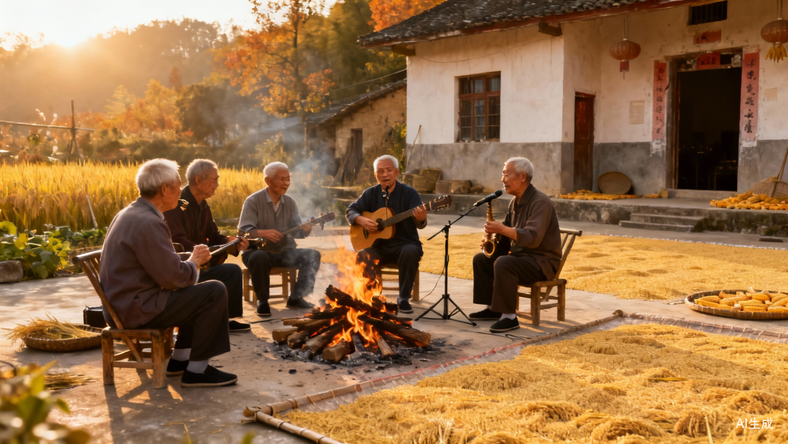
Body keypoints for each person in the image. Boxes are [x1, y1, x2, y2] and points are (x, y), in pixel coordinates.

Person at [99, 159, 237, 388]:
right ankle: (197, 371)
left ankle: (180, 361)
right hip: (136, 309)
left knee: (197, 289)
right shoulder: (148, 222)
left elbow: (160, 263)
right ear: (165, 189)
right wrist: (194, 261)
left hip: (126, 302)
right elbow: (174, 278)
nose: (181, 189)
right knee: (213, 290)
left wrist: (189, 262)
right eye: (178, 184)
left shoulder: (133, 213)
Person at [470, 157, 562, 333]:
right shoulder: (514, 202)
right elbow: (505, 240)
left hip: (542, 262)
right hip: (522, 258)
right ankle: (493, 309)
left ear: (522, 176)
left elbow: (533, 238)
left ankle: (509, 317)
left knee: (505, 263)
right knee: (482, 259)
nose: (502, 180)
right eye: (502, 175)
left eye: (506, 174)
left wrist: (502, 228)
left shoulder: (540, 202)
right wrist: (491, 241)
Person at [163, 159, 251, 333]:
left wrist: (230, 241)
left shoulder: (202, 204)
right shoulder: (176, 203)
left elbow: (214, 234)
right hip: (184, 267)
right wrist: (204, 251)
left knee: (232, 271)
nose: (217, 185)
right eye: (214, 179)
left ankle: (229, 319)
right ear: (198, 179)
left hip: (202, 261)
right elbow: (178, 241)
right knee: (227, 274)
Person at [346, 155, 427, 313]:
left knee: (410, 251)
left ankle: (403, 298)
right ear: (375, 174)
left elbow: (420, 223)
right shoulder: (370, 193)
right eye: (380, 171)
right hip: (379, 247)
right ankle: (367, 297)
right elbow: (351, 210)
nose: (384, 174)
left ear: (397, 172)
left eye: (388, 170)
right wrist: (360, 220)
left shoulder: (410, 193)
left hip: (405, 244)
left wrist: (421, 219)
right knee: (363, 255)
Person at [239, 162, 321, 317]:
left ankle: (296, 297)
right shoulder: (253, 201)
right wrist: (264, 233)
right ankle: (263, 301)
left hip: (284, 252)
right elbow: (244, 231)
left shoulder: (290, 202)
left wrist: (304, 229)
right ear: (268, 181)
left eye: (288, 179)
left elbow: (295, 231)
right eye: (282, 179)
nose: (287, 183)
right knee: (259, 257)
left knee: (312, 255)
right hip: (257, 252)